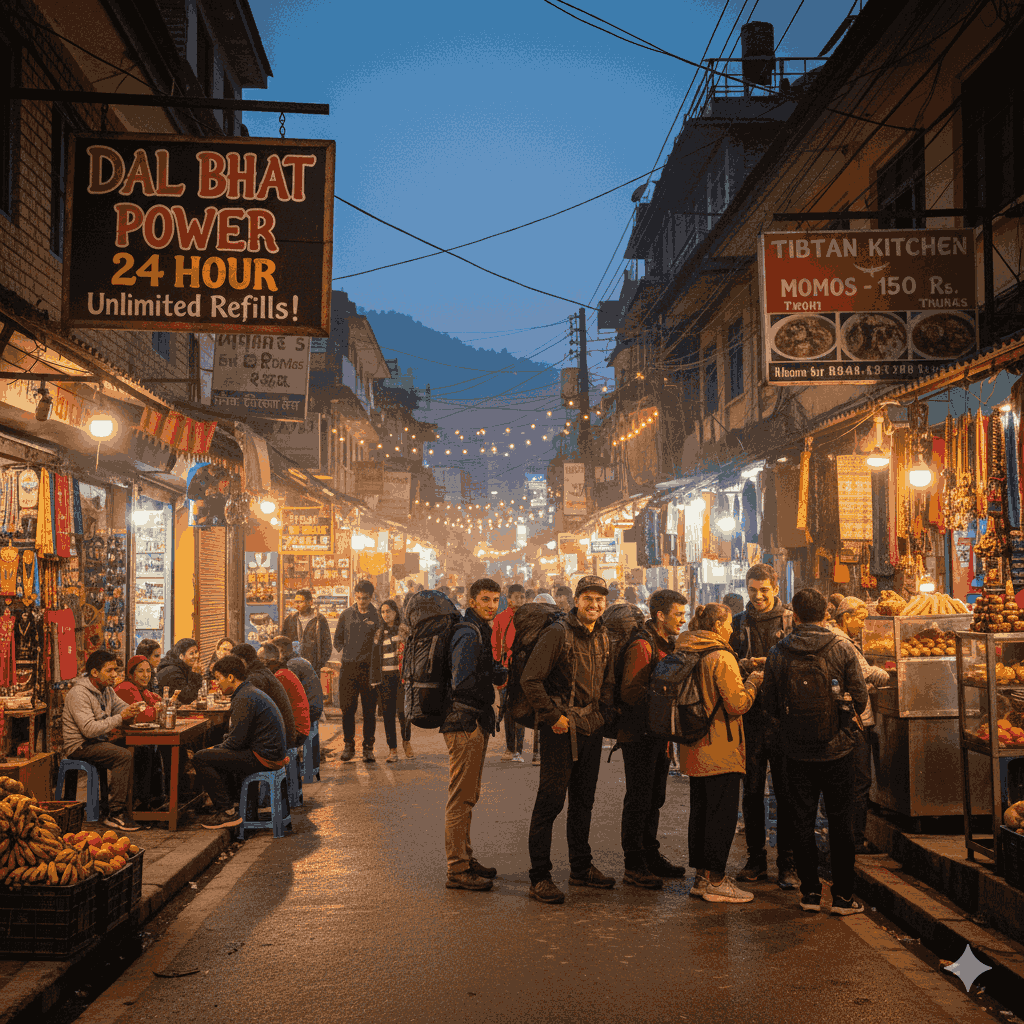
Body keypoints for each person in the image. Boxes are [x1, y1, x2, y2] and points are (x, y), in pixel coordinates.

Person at [760, 588, 868, 915]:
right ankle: (843, 898)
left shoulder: (779, 652)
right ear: (825, 616)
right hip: (837, 750)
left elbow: (769, 705)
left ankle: (809, 894)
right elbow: (860, 699)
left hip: (795, 752)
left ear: (794, 615)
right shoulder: (842, 648)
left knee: (801, 821)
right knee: (840, 822)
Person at [520, 576, 616, 905]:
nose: (595, 605)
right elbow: (531, 679)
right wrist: (553, 717)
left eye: (600, 599)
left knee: (583, 802)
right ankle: (539, 877)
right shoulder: (557, 633)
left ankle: (581, 867)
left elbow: (608, 682)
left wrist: (601, 715)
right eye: (588, 598)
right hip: (561, 730)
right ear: (576, 600)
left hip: (590, 728)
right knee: (550, 802)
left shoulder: (603, 635)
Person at [677, 603, 759, 904]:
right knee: (721, 816)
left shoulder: (688, 649)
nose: (732, 630)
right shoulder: (721, 656)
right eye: (727, 625)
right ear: (717, 626)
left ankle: (700, 877)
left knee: (700, 812)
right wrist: (753, 682)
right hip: (720, 747)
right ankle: (716, 880)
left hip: (693, 746)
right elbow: (737, 703)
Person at [730, 563, 798, 889]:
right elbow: (726, 665)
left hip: (784, 720)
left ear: (775, 588)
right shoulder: (736, 624)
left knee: (787, 793)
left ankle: (788, 863)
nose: (758, 596)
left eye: (764, 590)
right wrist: (742, 665)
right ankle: (756, 859)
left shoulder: (791, 622)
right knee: (753, 792)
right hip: (751, 720)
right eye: (753, 590)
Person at [617, 589, 690, 888]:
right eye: (678, 615)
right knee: (639, 799)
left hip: (658, 735)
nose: (682, 621)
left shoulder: (666, 644)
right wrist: (661, 703)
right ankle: (634, 864)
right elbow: (630, 692)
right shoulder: (642, 645)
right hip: (639, 735)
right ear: (660, 615)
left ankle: (650, 854)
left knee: (654, 798)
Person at [441, 578, 502, 891]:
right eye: (486, 599)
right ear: (472, 600)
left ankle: (465, 857)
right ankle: (457, 868)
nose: (491, 605)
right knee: (461, 798)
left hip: (472, 720)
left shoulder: (479, 629)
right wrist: (491, 673)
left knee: (469, 795)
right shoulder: (468, 632)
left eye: (495, 600)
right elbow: (463, 680)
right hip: (464, 722)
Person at [193, 655, 289, 830]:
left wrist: (215, 748)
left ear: (231, 677)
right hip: (268, 752)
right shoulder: (248, 692)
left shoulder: (244, 697)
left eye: (218, 678)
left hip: (265, 757)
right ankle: (234, 804)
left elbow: (236, 742)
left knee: (201, 757)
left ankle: (227, 812)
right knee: (214, 752)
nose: (217, 683)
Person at [828, 594, 887, 854]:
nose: (863, 625)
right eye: (860, 619)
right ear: (846, 618)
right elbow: (864, 673)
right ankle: (854, 840)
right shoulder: (843, 642)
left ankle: (846, 838)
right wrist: (887, 673)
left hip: (843, 720)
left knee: (847, 782)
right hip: (855, 720)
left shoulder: (838, 639)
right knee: (859, 781)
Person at [62, 650, 142, 831]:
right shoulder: (79, 694)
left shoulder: (107, 690)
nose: (115, 674)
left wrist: (134, 710)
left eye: (115, 670)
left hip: (98, 741)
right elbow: (89, 730)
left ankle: (141, 802)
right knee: (122, 755)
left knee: (139, 748)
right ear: (95, 673)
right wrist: (121, 717)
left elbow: (122, 708)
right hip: (80, 745)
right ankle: (115, 813)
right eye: (110, 670)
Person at [333, 580, 382, 762]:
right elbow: (337, 639)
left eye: (365, 598)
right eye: (359, 598)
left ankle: (368, 747)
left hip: (369, 670)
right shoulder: (346, 614)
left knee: (369, 711)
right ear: (355, 596)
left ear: (371, 597)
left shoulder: (377, 616)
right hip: (348, 668)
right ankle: (348, 745)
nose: (361, 601)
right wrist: (344, 653)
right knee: (347, 709)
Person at [369, 599, 412, 762]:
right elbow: (375, 658)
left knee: (403, 713)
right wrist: (374, 679)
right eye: (383, 612)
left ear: (396, 612)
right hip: (384, 679)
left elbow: (410, 655)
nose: (385, 615)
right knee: (387, 715)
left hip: (402, 678)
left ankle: (406, 741)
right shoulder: (379, 633)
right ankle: (392, 750)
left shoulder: (404, 631)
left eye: (389, 611)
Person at [232, 643, 297, 749]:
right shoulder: (262, 672)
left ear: (242, 661)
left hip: (276, 742)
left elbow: (246, 714)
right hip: (282, 735)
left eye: (233, 662)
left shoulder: (255, 678)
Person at [492, 583, 527, 762]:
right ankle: (509, 747)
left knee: (520, 709)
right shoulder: (501, 618)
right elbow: (495, 647)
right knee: (506, 710)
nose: (520, 600)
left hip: (523, 671)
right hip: (506, 670)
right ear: (509, 599)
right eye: (516, 597)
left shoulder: (529, 617)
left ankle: (518, 749)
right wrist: (497, 671)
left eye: (522, 597)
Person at [258, 644, 311, 749]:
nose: (258, 663)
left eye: (260, 659)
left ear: (269, 660)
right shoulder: (283, 672)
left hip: (297, 732)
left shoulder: (279, 676)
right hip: (300, 728)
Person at [282, 589, 333, 673]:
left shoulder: (319, 620)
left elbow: (327, 644)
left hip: (313, 667)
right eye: (296, 602)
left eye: (300, 602)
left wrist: (320, 664)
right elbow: (283, 642)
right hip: (293, 666)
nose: (297, 605)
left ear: (310, 602)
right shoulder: (290, 619)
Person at [156, 638, 203, 704]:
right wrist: (195, 673)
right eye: (191, 653)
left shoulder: (183, 666)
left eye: (196, 652)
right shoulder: (173, 671)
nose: (196, 656)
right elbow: (187, 698)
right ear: (181, 656)